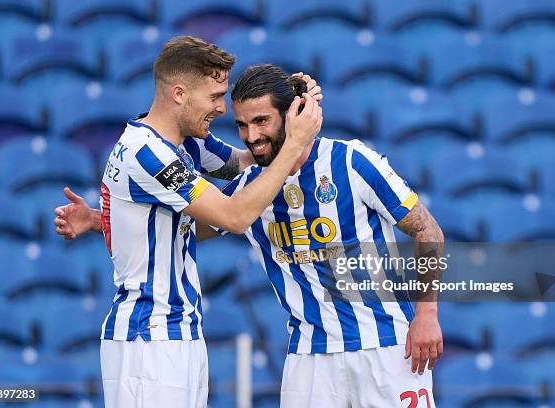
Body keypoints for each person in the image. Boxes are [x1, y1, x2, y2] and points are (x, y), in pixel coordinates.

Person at [57, 64, 443, 407]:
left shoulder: (351, 161)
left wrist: (426, 313)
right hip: (308, 358)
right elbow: (185, 229)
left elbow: (428, 231)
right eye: (242, 125)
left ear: (291, 117)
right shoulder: (251, 187)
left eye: (261, 121)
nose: (251, 136)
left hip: (387, 348)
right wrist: (103, 218)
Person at [56, 37, 322, 408]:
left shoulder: (185, 144)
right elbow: (235, 214)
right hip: (148, 340)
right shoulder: (148, 154)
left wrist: (290, 111)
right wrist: (294, 143)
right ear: (179, 93)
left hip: (179, 334)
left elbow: (252, 161)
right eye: (214, 96)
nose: (221, 108)